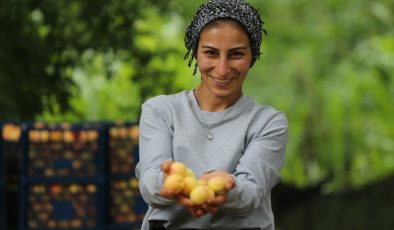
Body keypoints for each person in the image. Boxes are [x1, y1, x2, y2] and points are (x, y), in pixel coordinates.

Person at [135, 0, 288, 229]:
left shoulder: (268, 123)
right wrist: (168, 185)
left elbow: (250, 194)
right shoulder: (160, 111)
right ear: (195, 52)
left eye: (236, 54)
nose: (223, 68)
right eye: (211, 53)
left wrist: (228, 188)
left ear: (252, 56)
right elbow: (149, 184)